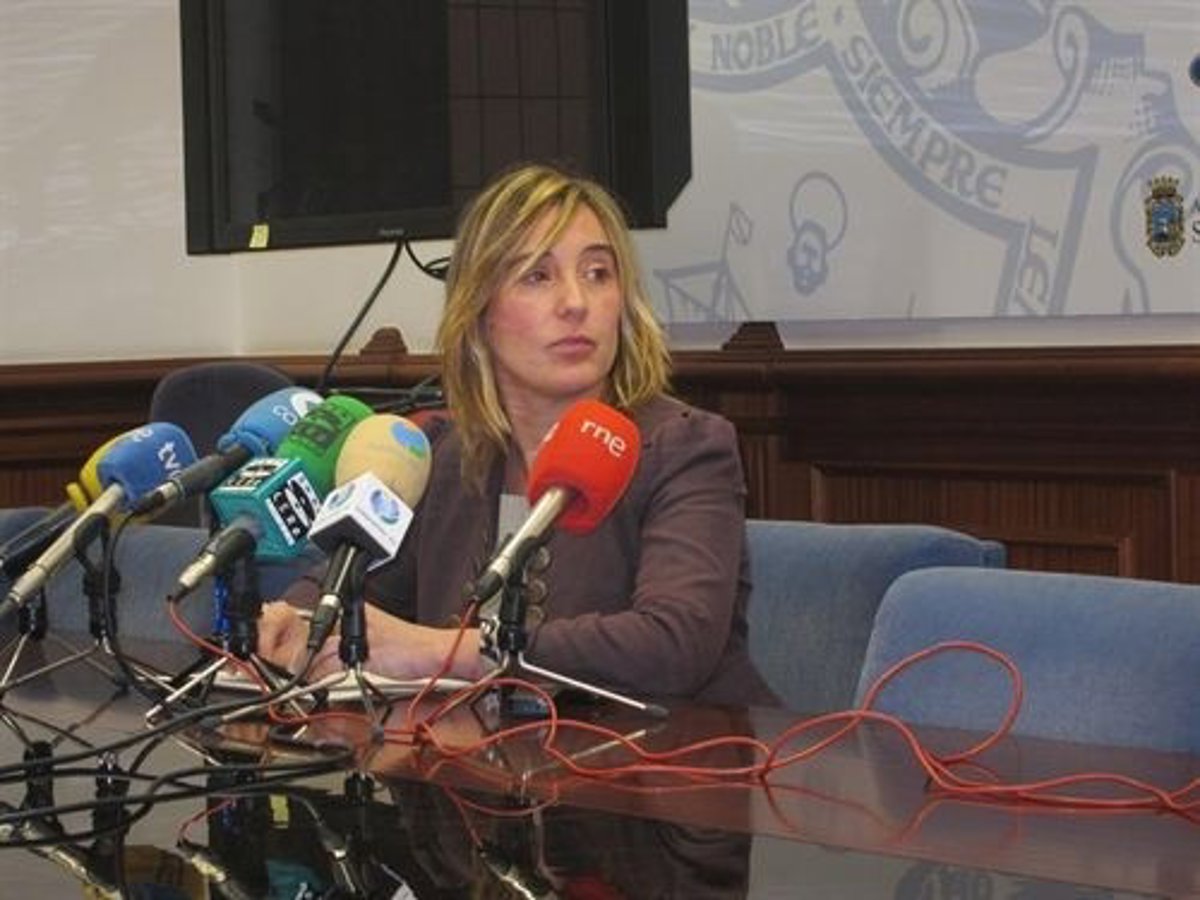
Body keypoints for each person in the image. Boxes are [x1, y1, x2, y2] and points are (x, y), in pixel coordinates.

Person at [257, 162, 777, 708]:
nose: (576, 302)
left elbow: (674, 644)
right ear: (479, 311)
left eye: (598, 273)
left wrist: (441, 650)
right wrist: (294, 622)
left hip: (669, 754)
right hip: (475, 755)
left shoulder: (684, 447)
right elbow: (344, 584)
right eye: (538, 276)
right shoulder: (447, 456)